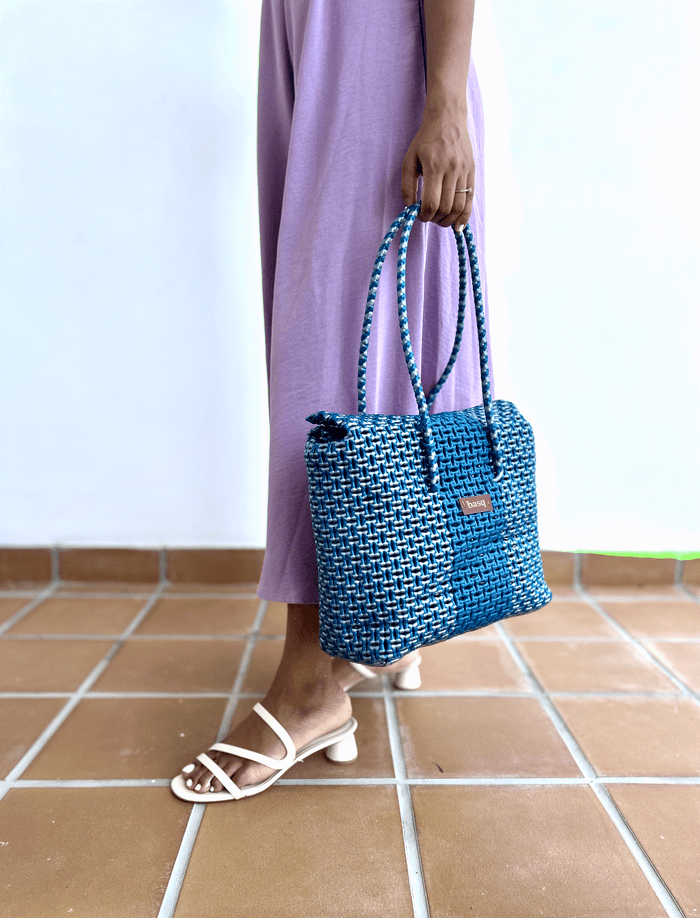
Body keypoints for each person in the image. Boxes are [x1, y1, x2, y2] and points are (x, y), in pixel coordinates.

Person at [172, 0, 490, 802]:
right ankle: (394, 613)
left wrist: (445, 100)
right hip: (309, 37)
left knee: (333, 349)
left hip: (375, 45)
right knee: (337, 330)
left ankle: (314, 682)